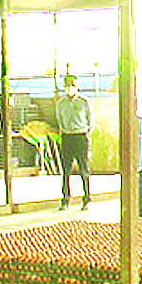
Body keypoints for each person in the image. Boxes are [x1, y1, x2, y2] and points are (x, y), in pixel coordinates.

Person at [56, 75, 94, 211]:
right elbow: (59, 120)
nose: (69, 87)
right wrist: (65, 131)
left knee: (84, 169)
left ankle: (87, 198)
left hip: (80, 136)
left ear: (77, 86)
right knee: (66, 170)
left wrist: (86, 134)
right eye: (67, 84)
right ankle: (65, 200)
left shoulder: (84, 102)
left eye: (72, 85)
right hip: (67, 137)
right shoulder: (60, 103)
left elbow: (91, 121)